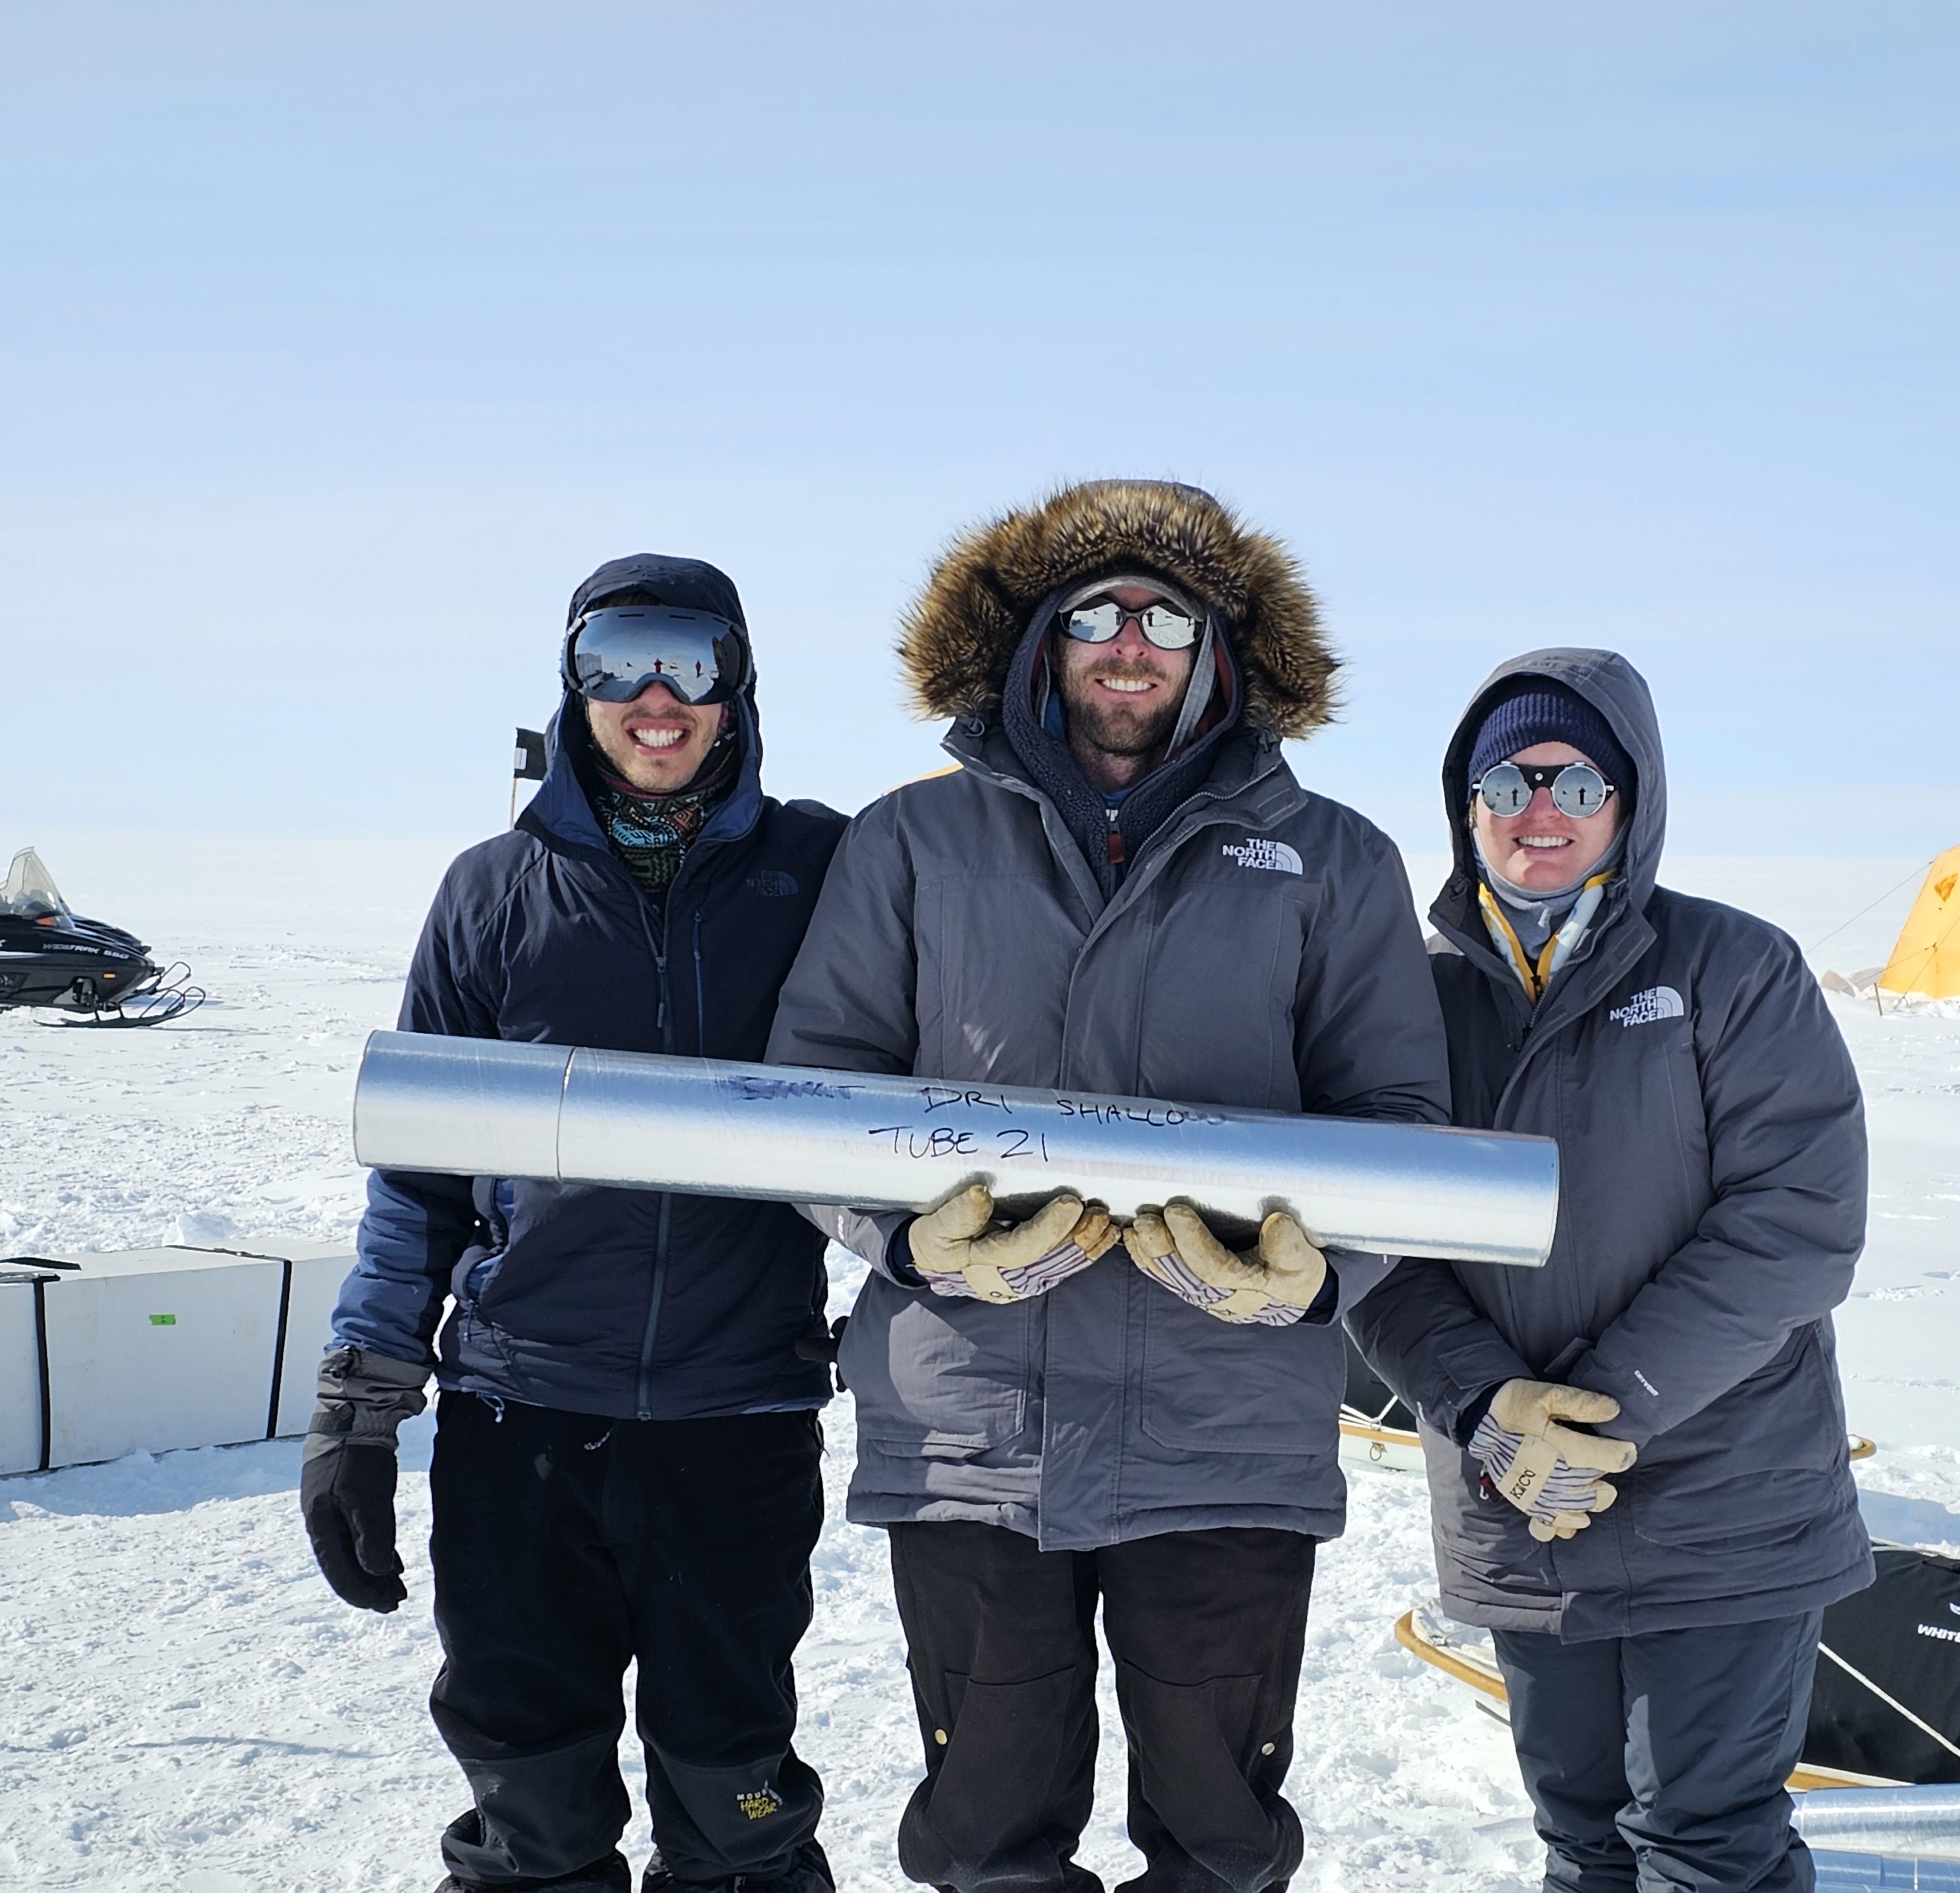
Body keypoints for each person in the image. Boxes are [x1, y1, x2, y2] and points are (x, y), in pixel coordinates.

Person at [765, 478, 1450, 1893]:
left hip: (1222, 1434)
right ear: (1037, 640)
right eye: (1095, 613)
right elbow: (812, 1094)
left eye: (1166, 616)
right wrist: (910, 1244)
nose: (1128, 643)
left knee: (1218, 1843)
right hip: (972, 1431)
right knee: (984, 1840)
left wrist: (1316, 1274)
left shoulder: (1331, 862)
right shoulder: (910, 842)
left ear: (1217, 651)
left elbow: (1399, 1124)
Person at [300, 556, 846, 1893]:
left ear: (740, 687)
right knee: (530, 1803)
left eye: (691, 661)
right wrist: (360, 1398)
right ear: (571, 682)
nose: (654, 698)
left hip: (736, 1425)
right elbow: (418, 1176)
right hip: (521, 1426)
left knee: (737, 1799)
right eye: (617, 659)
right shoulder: (492, 890)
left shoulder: (822, 868)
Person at [1349, 649, 1872, 1893]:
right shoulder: (1402, 998)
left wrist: (1604, 1411)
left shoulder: (1730, 971)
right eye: (1507, 780)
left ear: (1627, 806)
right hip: (1521, 1498)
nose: (1539, 812)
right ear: (1462, 803)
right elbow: (1373, 1250)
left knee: (1706, 1846)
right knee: (1578, 1841)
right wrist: (1486, 1409)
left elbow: (1795, 1222)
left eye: (1575, 784)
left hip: (1720, 1496)